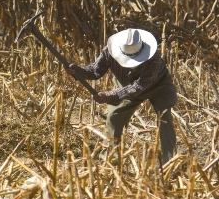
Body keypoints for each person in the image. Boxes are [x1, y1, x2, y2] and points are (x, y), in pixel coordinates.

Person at [64, 28, 177, 164]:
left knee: (164, 118)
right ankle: (111, 159)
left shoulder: (154, 58)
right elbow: (95, 71)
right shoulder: (109, 51)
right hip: (126, 85)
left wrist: (108, 96)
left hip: (158, 85)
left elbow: (138, 87)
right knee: (114, 117)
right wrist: (77, 71)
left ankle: (170, 160)